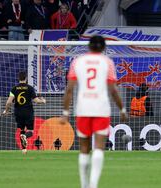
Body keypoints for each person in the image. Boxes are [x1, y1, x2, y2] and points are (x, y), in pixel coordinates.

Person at [61, 35, 128, 188]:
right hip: (101, 108)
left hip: (83, 108)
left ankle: (84, 184)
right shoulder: (107, 63)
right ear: (104, 47)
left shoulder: (77, 62)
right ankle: (93, 184)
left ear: (88, 46)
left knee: (84, 148)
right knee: (99, 146)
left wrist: (65, 113)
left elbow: (69, 89)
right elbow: (113, 90)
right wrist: (122, 109)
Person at [2, 71, 46, 154]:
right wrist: (43, 101)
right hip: (28, 112)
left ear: (18, 78)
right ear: (26, 78)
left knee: (22, 130)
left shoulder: (14, 89)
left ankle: (24, 149)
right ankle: (25, 137)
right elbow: (36, 101)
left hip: (18, 112)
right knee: (30, 131)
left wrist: (6, 111)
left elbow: (9, 102)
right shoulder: (29, 88)